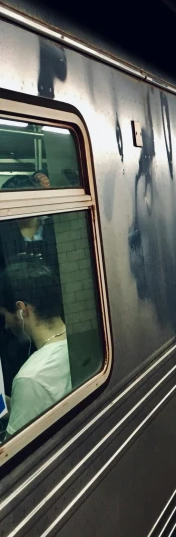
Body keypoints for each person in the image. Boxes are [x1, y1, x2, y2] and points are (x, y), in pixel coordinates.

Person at [0, 174, 59, 392]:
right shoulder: (3, 233)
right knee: (21, 379)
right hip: (14, 325)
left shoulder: (56, 230)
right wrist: (4, 313)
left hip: (52, 319)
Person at [0, 257, 71, 438]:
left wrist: (23, 390)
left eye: (4, 316)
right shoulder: (80, 341)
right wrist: (16, 402)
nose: (6, 326)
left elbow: (14, 453)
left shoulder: (30, 378)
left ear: (23, 309)